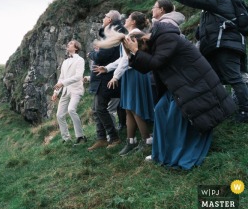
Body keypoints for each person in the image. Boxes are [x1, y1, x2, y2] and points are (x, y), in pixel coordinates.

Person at [123, 21, 235, 170]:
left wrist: (137, 52)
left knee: (177, 116)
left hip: (195, 84)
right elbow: (146, 68)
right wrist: (132, 54)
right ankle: (162, 153)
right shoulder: (155, 43)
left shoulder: (166, 38)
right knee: (161, 110)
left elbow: (156, 63)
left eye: (141, 49)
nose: (142, 53)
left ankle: (180, 154)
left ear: (144, 40)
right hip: (182, 84)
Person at [156, 0, 248, 122]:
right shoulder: (213, 7)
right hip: (217, 47)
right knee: (214, 80)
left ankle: (245, 111)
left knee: (234, 78)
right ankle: (224, 109)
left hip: (225, 46)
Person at [101, 12, 155, 156]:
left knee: (135, 108)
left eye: (129, 18)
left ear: (133, 22)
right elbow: (122, 58)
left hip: (135, 74)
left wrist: (115, 76)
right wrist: (107, 68)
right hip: (131, 74)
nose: (125, 20)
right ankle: (131, 141)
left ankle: (147, 140)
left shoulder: (133, 36)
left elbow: (126, 60)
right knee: (128, 109)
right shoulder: (131, 35)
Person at [86, 10, 126, 151]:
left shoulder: (115, 31)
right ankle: (101, 138)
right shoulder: (113, 31)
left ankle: (113, 137)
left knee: (100, 109)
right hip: (105, 76)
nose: (103, 18)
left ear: (110, 20)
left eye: (105, 16)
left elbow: (102, 56)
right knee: (98, 109)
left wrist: (92, 53)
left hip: (107, 77)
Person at [52, 40, 87, 145]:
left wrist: (63, 83)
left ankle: (80, 136)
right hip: (65, 91)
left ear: (76, 48)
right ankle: (66, 138)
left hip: (76, 89)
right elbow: (61, 77)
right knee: (59, 115)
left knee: (71, 110)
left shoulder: (80, 60)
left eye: (71, 43)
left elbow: (78, 77)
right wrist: (55, 93)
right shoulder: (65, 61)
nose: (68, 44)